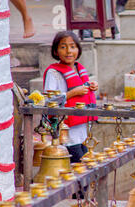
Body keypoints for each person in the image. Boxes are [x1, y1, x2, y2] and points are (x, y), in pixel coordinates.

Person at [43, 31, 99, 163]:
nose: (69, 51)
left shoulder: (79, 69)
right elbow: (48, 101)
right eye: (63, 47)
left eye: (72, 47)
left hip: (83, 132)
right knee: (77, 167)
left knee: (86, 166)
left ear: (78, 50)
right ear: (56, 51)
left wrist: (91, 86)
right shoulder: (53, 72)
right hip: (67, 133)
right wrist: (71, 93)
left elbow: (84, 94)